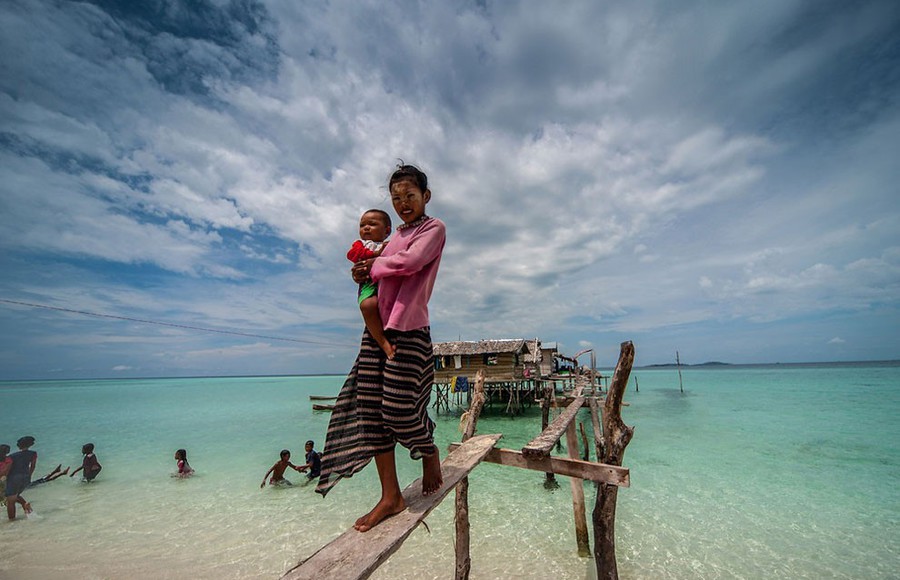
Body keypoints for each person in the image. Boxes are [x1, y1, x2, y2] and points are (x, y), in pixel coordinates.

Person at [317, 163, 446, 533]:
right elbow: (377, 269)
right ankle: (390, 496)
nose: (403, 204)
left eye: (410, 196)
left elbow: (410, 262)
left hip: (408, 329)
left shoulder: (432, 228)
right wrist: (361, 271)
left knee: (398, 410)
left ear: (426, 196)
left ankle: (429, 449)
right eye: (396, 199)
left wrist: (373, 266)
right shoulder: (389, 240)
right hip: (376, 333)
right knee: (371, 412)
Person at [347, 209, 395, 359]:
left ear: (387, 231)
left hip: (386, 284)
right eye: (362, 225)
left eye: (372, 224)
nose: (366, 227)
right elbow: (353, 255)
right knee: (367, 305)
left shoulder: (391, 245)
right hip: (369, 284)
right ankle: (384, 343)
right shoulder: (360, 244)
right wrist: (375, 254)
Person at [6, 436, 38, 520]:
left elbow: (8, 468)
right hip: (25, 477)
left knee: (11, 501)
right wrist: (29, 475)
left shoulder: (12, 456)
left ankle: (12, 521)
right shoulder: (33, 454)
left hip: (13, 478)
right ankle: (25, 505)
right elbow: (33, 466)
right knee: (15, 496)